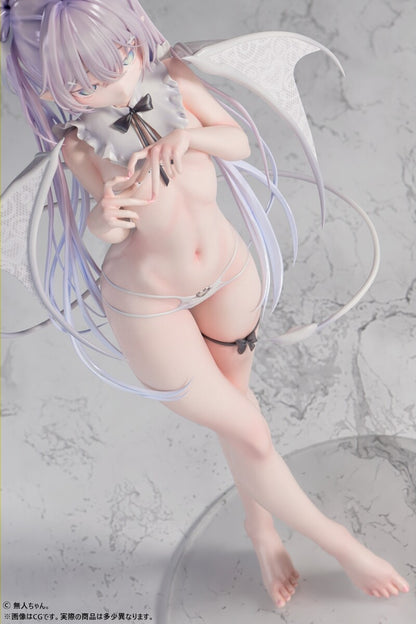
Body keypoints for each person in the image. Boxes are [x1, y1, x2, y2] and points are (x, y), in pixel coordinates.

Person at [1, 0, 410, 609]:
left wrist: (188, 135)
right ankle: (340, 543)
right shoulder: (79, 143)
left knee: (240, 415)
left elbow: (238, 141)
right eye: (83, 84)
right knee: (250, 429)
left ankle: (260, 530)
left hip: (226, 272)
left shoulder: (174, 79)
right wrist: (106, 216)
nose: (112, 85)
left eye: (118, 59)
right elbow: (107, 225)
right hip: (149, 303)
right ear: (48, 88)